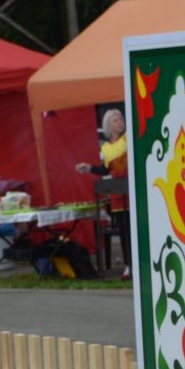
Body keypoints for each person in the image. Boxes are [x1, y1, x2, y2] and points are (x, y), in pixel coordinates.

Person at [77, 108, 130, 278]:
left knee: (134, 229)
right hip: (117, 194)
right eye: (115, 120)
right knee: (123, 230)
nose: (120, 122)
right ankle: (129, 265)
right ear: (108, 125)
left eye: (121, 118)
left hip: (132, 191)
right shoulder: (106, 148)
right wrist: (90, 168)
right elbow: (106, 169)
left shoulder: (129, 139)